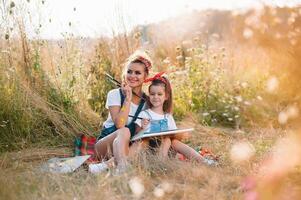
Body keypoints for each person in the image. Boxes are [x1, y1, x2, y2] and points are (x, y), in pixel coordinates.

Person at [90, 51, 152, 173]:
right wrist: (127, 99)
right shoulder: (114, 94)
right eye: (129, 71)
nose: (132, 76)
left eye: (138, 73)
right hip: (105, 147)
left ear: (145, 77)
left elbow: (139, 134)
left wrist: (144, 128)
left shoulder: (147, 102)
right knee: (124, 130)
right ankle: (122, 167)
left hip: (127, 147)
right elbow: (119, 125)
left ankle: (108, 164)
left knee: (144, 141)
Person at [135, 73, 206, 162]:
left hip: (167, 149)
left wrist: (180, 134)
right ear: (149, 96)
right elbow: (136, 136)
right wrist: (142, 128)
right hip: (149, 149)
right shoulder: (144, 114)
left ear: (166, 96)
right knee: (165, 139)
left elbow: (174, 134)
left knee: (170, 140)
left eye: (159, 94)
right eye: (152, 94)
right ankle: (160, 163)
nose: (155, 97)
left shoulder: (168, 116)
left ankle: (202, 160)